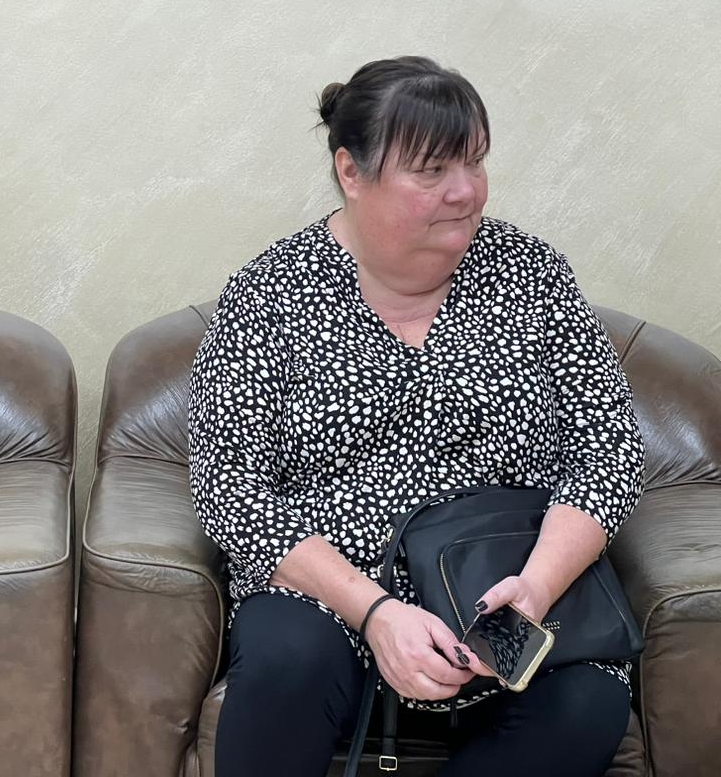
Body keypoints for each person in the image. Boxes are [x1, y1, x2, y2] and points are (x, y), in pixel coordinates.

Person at [188, 56, 644, 777]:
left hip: (505, 591)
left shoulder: (534, 276)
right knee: (285, 661)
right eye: (431, 170)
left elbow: (609, 449)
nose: (466, 191)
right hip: (332, 598)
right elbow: (228, 487)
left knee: (586, 704)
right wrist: (375, 612)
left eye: (475, 162)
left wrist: (535, 588)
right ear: (351, 171)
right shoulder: (268, 295)